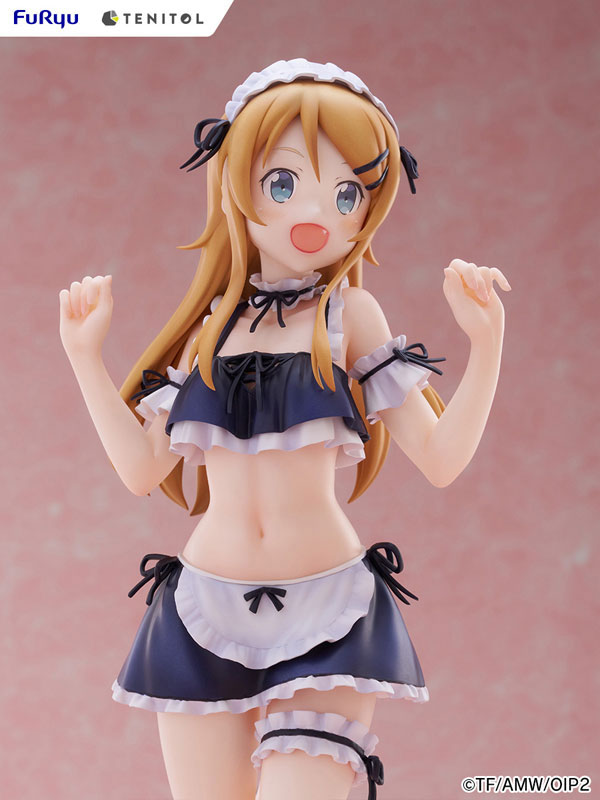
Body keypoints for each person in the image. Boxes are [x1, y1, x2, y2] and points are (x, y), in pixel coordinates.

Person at [59, 58, 510, 800]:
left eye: (347, 194)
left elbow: (440, 458)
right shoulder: (209, 329)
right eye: (283, 182)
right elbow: (141, 469)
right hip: (201, 612)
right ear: (234, 182)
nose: (317, 215)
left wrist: (487, 346)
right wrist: (84, 357)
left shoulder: (351, 316)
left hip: (328, 612)